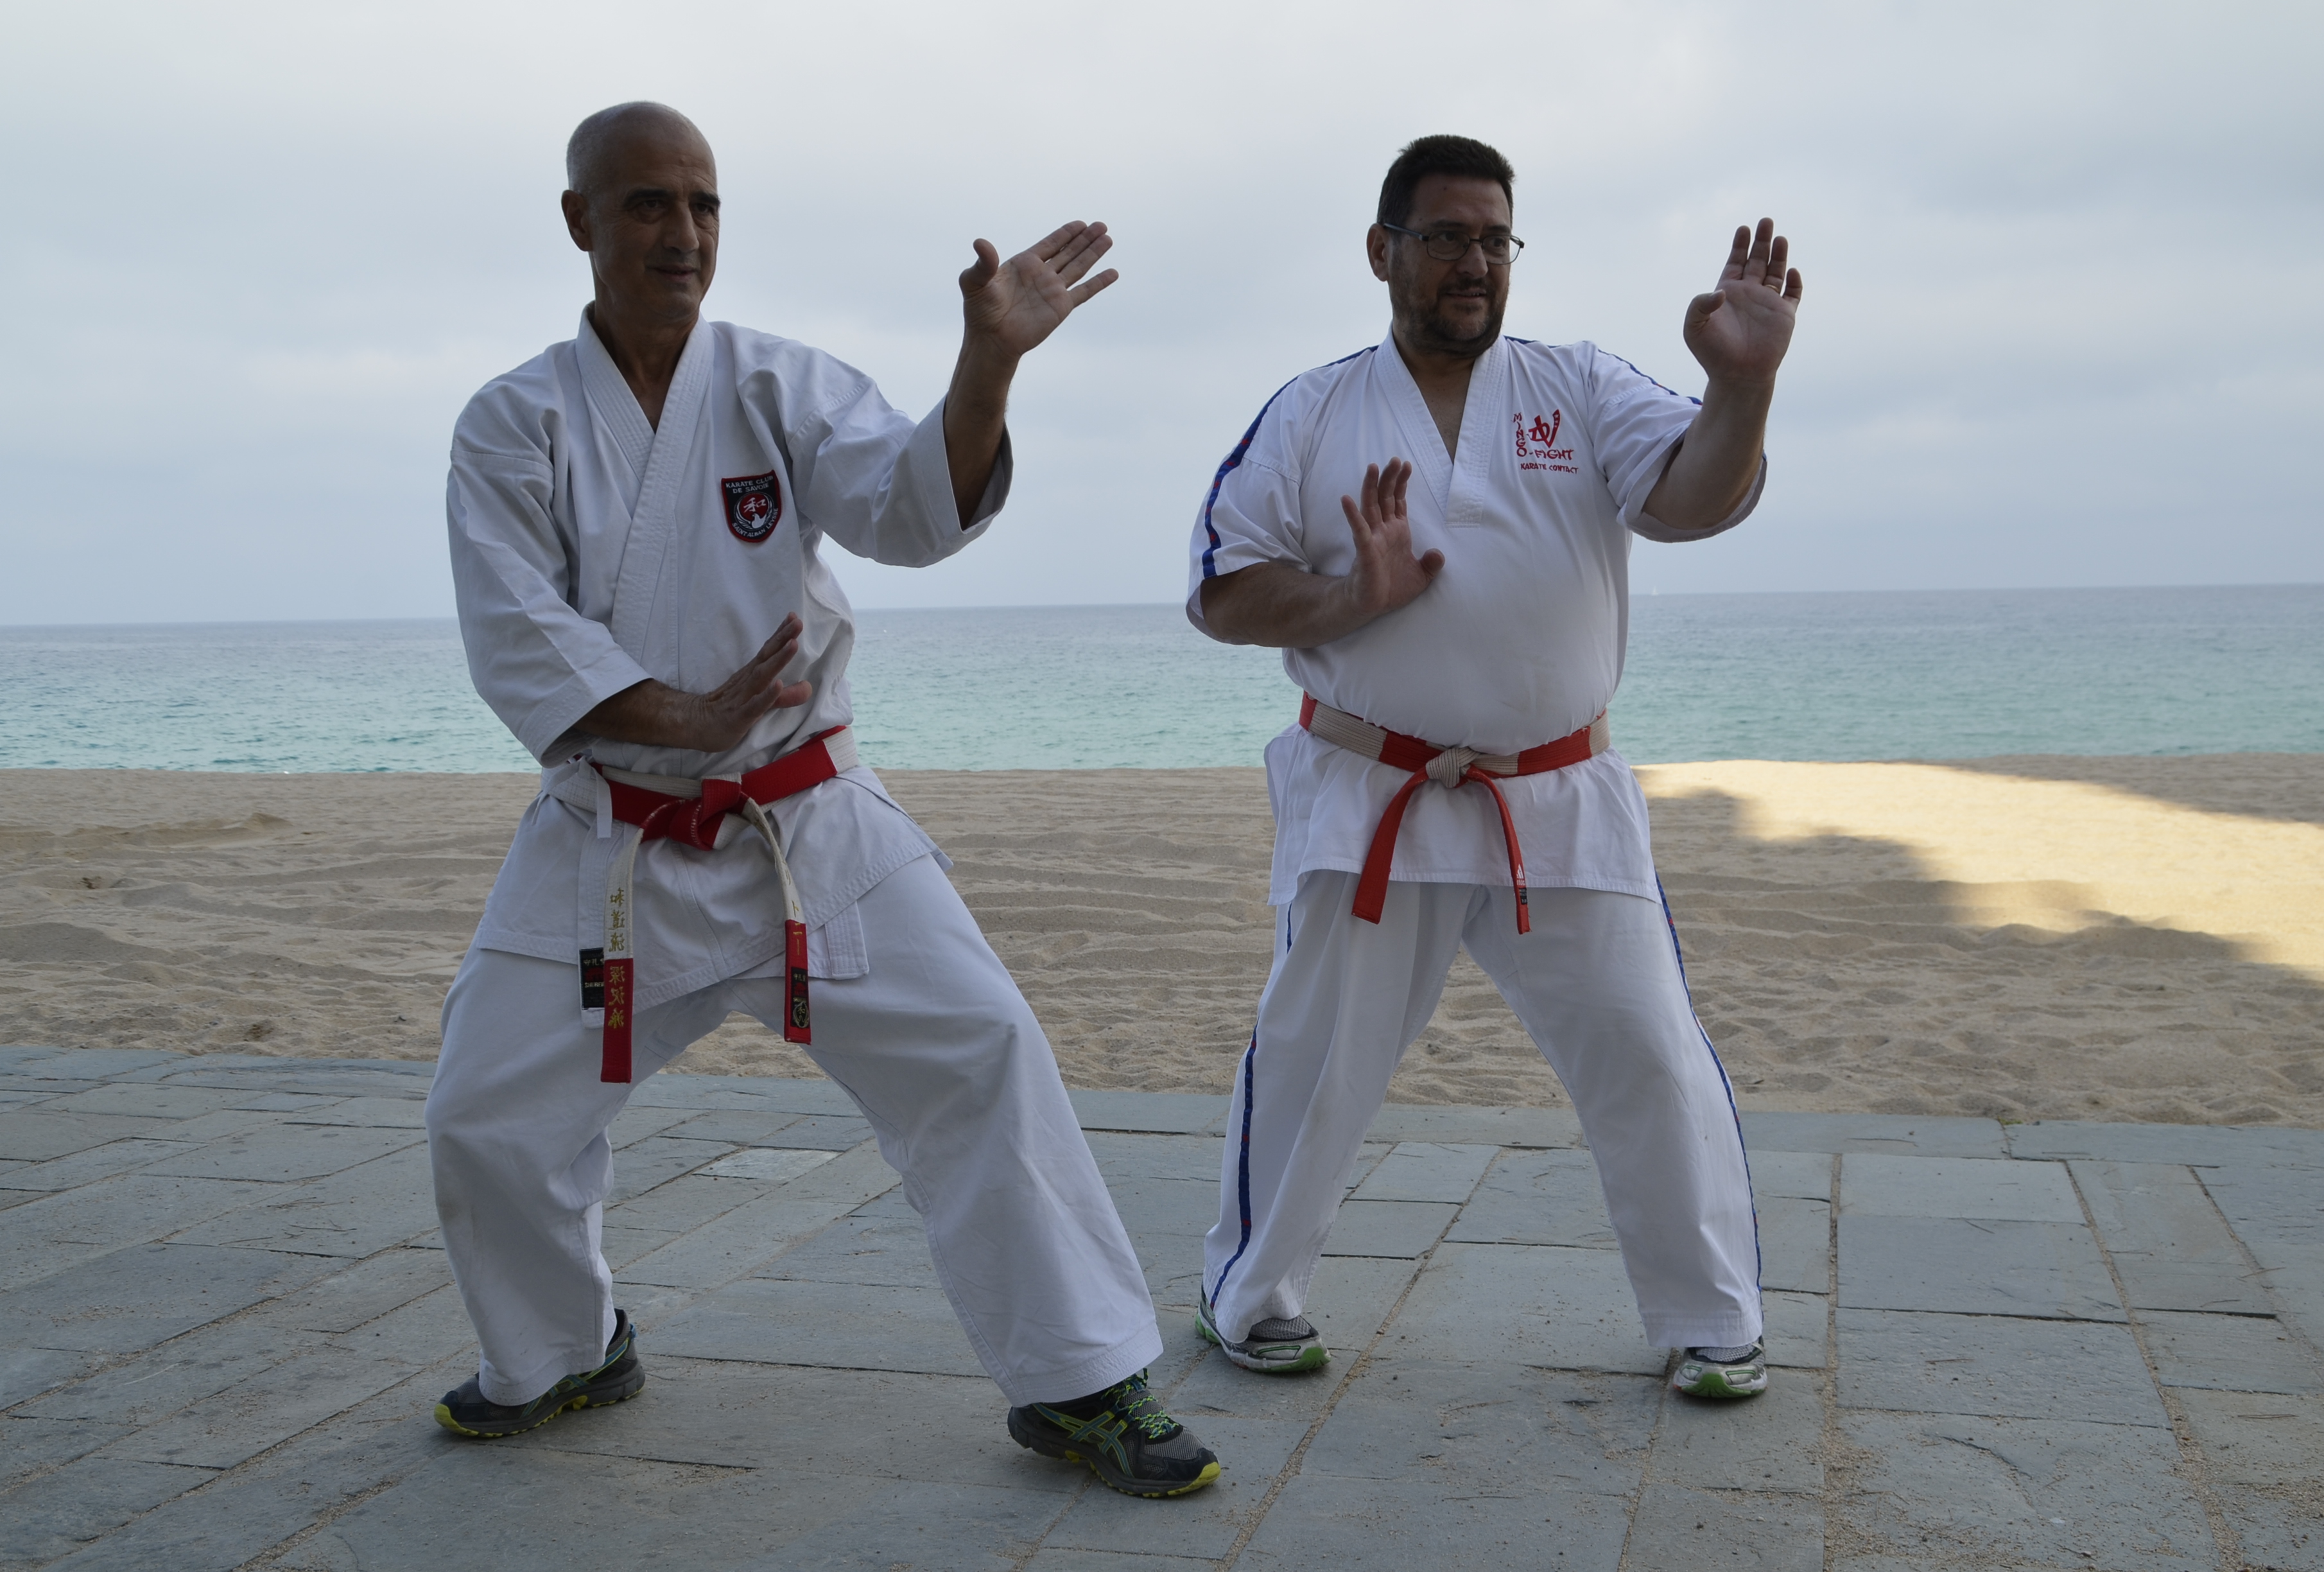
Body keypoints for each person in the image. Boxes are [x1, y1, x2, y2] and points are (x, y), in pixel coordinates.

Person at [425, 101, 1218, 1498]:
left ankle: (1083, 1382)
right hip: (615, 839)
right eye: (648, 204)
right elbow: (515, 629)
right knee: (485, 1115)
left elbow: (909, 509)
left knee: (981, 1049)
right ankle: (564, 1351)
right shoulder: (512, 422)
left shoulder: (777, 385)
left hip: (806, 821)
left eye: (704, 204)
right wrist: (682, 719)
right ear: (580, 222)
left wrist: (987, 363)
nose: (683, 232)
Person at [1186, 134, 1802, 1399]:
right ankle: (1250, 1298)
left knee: (1649, 1054)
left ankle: (1710, 1322)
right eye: (1447, 237)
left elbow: (1692, 499)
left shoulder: (1577, 385)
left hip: (1556, 797)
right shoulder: (1313, 411)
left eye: (1495, 240)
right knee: (1314, 1062)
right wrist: (1351, 598)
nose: (1475, 262)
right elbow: (1222, 592)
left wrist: (1742, 388)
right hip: (1376, 794)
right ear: (1384, 252)